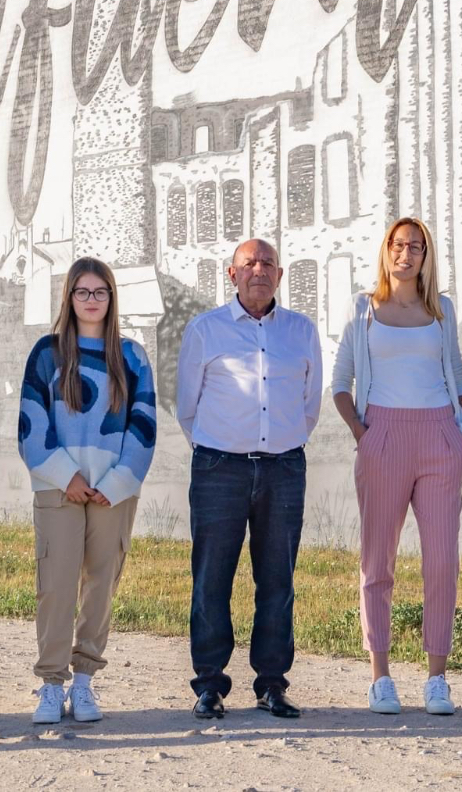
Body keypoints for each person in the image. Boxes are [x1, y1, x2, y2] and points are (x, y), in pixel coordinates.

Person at [176, 238, 323, 721]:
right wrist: (221, 444)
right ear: (232, 274)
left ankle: (272, 684)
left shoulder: (301, 331)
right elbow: (187, 405)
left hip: (284, 468)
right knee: (211, 579)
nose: (258, 270)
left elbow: (310, 404)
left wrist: (282, 440)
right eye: (249, 263)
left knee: (278, 580)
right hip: (219, 468)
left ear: (279, 275)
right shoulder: (205, 330)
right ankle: (209, 685)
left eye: (267, 263)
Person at [331, 218, 462, 716]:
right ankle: (381, 677)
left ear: (426, 255)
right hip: (383, 436)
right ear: (386, 250)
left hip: (439, 438)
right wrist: (362, 433)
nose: (405, 253)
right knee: (378, 562)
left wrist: (459, 427)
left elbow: (456, 372)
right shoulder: (362, 308)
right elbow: (341, 380)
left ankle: (437, 679)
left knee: (441, 562)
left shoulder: (441, 310)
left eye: (415, 246)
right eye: (397, 244)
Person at [17, 257, 158, 724]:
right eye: (83, 292)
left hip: (111, 491)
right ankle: (51, 683)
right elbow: (31, 424)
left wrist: (115, 483)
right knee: (56, 586)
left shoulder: (132, 356)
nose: (91, 300)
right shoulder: (48, 352)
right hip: (59, 487)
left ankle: (83, 682)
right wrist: (66, 476)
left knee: (100, 585)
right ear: (70, 297)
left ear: (111, 297)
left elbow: (144, 425)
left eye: (100, 292)